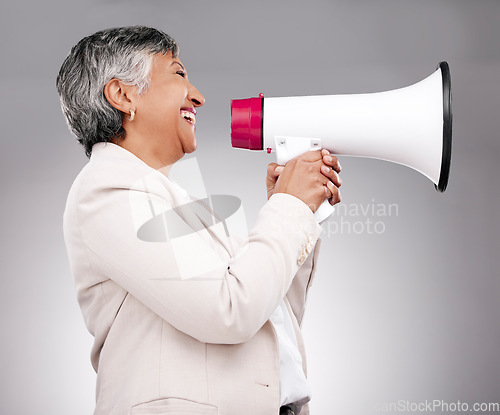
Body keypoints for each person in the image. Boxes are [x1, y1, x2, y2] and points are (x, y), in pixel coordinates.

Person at [57, 26, 342, 415]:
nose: (198, 96)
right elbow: (228, 311)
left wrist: (299, 210)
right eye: (177, 74)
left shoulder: (173, 198)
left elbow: (269, 317)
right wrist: (288, 207)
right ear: (123, 95)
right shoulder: (107, 190)